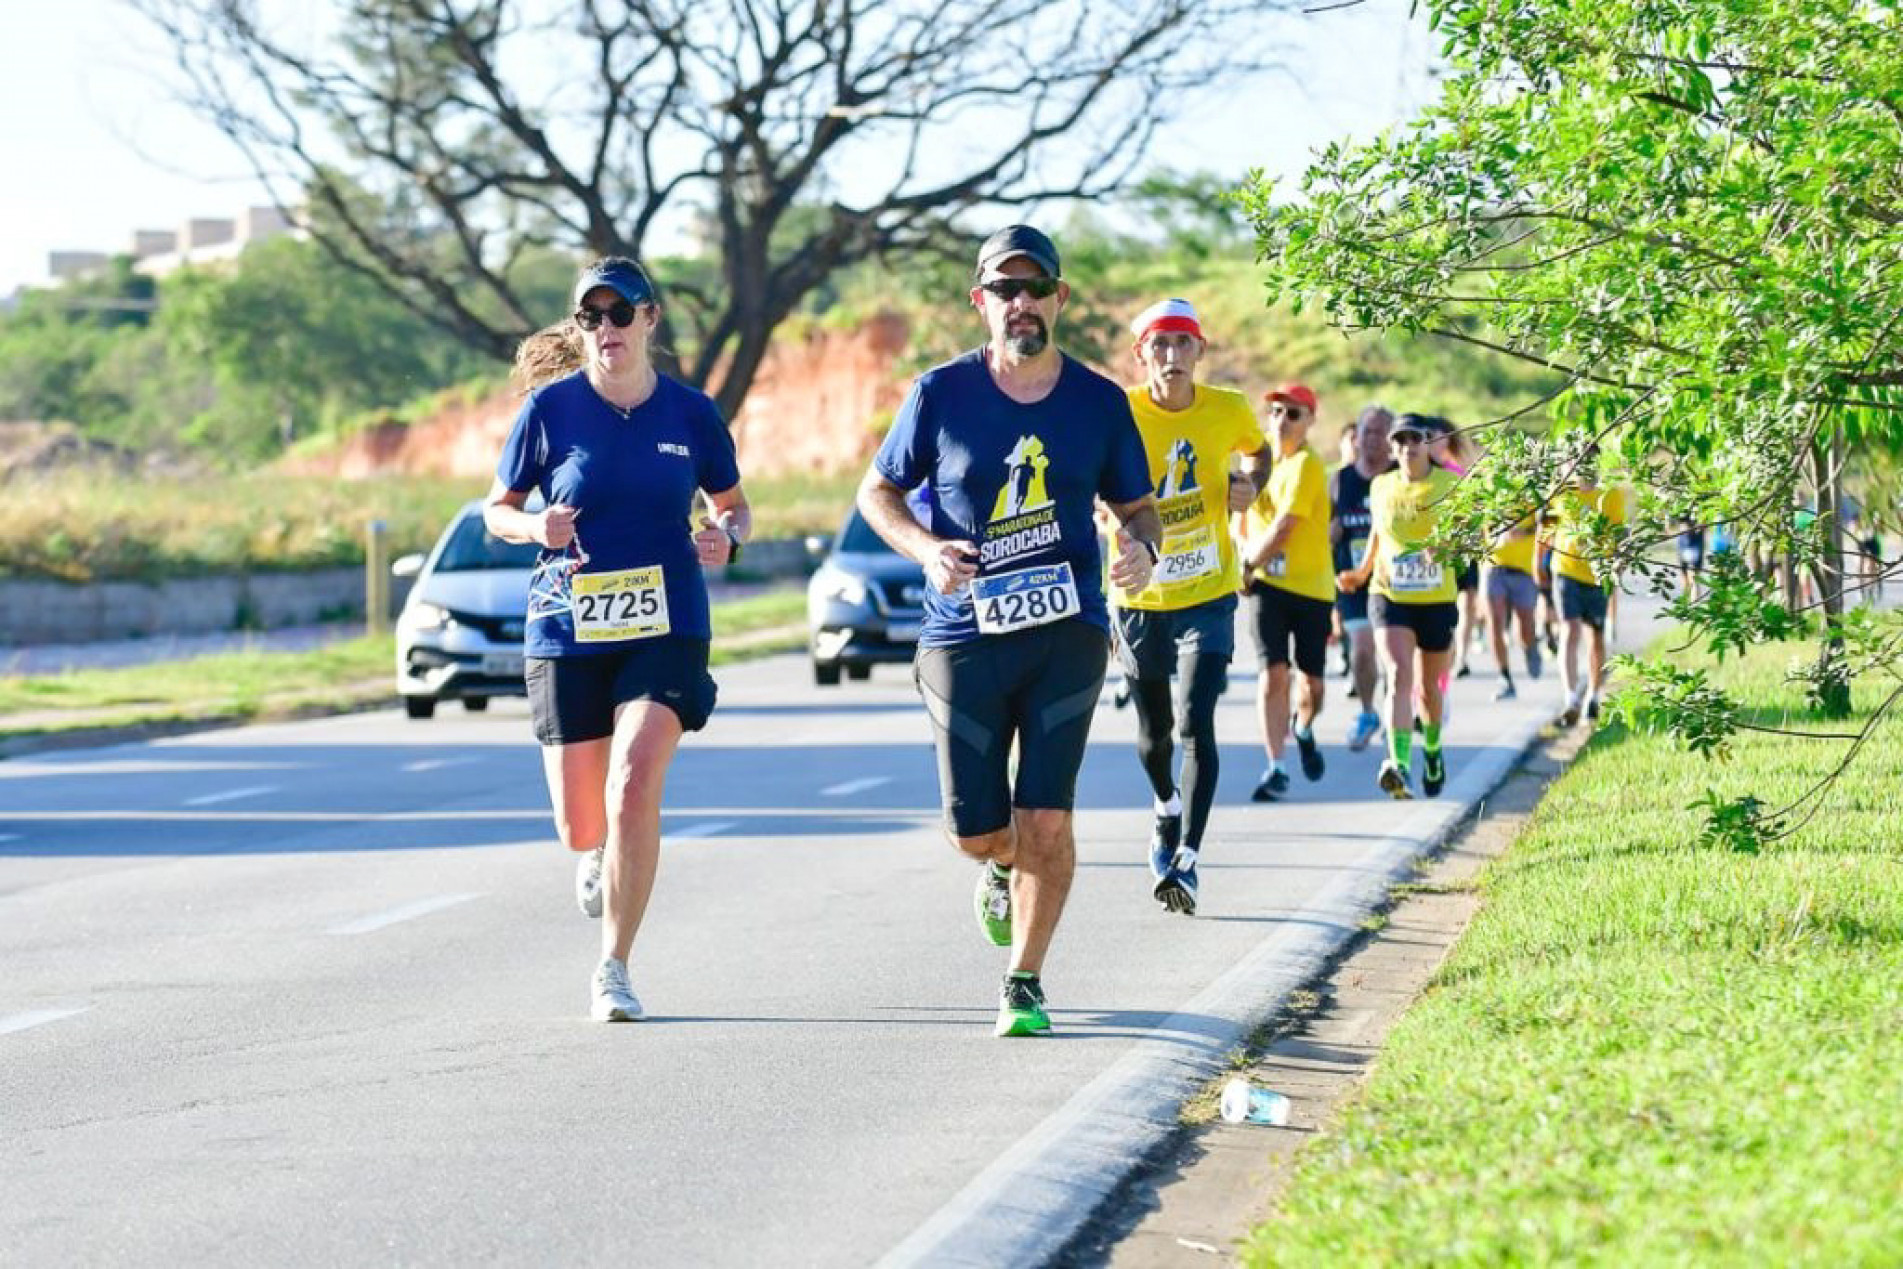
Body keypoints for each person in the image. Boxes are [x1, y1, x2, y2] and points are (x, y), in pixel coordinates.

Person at [856, 225, 1159, 1037]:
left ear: (1060, 298)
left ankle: (1023, 978)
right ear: (979, 302)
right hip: (962, 632)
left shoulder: (1099, 402)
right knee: (979, 831)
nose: (1019, 303)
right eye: (1003, 290)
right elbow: (876, 493)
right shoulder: (939, 394)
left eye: (1035, 288)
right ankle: (995, 867)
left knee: (1047, 820)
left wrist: (1140, 550)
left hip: (1068, 629)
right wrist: (925, 549)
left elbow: (1137, 509)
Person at [484, 257, 750, 1023]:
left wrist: (725, 536)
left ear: (650, 319)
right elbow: (494, 510)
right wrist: (534, 523)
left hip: (666, 621)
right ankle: (595, 850)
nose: (606, 328)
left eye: (619, 312)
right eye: (590, 316)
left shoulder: (691, 414)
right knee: (580, 821)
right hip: (567, 625)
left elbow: (733, 505)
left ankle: (614, 965)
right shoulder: (549, 412)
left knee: (634, 777)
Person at [1110, 299, 1270, 916]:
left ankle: (1189, 859)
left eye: (1183, 344)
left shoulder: (1227, 409)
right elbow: (1093, 479)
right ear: (1141, 354)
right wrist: (1108, 517)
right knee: (1155, 737)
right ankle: (1165, 807)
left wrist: (1250, 484)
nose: (1172, 356)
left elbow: (1258, 453)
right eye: (1160, 345)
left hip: (1208, 590)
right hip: (1139, 594)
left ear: (1201, 352)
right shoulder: (1120, 413)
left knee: (1195, 720)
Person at [1335, 415, 1461, 799]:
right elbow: (1377, 534)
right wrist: (1360, 573)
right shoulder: (1381, 485)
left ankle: (1434, 751)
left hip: (1436, 598)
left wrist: (1442, 549)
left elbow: (1469, 533)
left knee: (1427, 690)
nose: (1408, 446)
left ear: (1428, 443)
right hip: (1389, 594)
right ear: (1393, 447)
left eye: (1416, 438)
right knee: (1398, 674)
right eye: (1400, 440)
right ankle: (1399, 763)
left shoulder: (1449, 484)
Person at [1239, 384, 1335, 801]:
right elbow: (1237, 512)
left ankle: (1304, 727)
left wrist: (1246, 564)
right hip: (1267, 586)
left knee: (1311, 683)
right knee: (1271, 675)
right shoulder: (1255, 460)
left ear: (1311, 421)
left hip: (1310, 586)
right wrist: (1237, 553)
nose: (1281, 420)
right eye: (1276, 411)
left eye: (1293, 414)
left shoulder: (1307, 466)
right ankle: (1276, 765)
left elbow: (1284, 528)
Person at [1542, 450, 1626, 726]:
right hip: (1565, 571)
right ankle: (1570, 698)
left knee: (1596, 639)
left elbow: (1617, 537)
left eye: (1588, 458)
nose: (1580, 463)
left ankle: (1593, 694)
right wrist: (1537, 566)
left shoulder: (1610, 496)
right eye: (1574, 457)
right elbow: (1546, 532)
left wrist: (1616, 567)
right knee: (1570, 630)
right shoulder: (1560, 492)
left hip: (1597, 576)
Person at [1329, 404, 1394, 750]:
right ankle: (1369, 712)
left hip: (1394, 582)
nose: (1370, 439)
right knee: (1363, 652)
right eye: (1365, 431)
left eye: (1379, 432)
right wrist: (1332, 531)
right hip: (1353, 580)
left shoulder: (1399, 476)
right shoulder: (1341, 479)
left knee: (1395, 657)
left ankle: (1396, 710)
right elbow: (1324, 528)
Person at [1425, 418, 1485, 679]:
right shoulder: (1422, 473)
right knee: (1449, 602)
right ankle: (1449, 652)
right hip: (1438, 547)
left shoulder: (1459, 470)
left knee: (1468, 600)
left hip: (1464, 543)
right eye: (1430, 437)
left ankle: (1461, 654)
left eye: (1439, 437)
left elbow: (1475, 507)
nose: (1434, 442)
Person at [1484, 512, 1543, 700]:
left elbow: (1546, 524)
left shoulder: (1531, 488)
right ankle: (1504, 676)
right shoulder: (1487, 485)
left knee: (1525, 626)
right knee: (1495, 622)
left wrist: (1523, 532)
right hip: (1493, 565)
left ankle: (1530, 646)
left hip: (1524, 568)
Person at [1675, 514, 1707, 598]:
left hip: (1686, 548)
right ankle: (1693, 603)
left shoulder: (1682, 521)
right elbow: (1703, 526)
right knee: (1694, 580)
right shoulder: (1697, 515)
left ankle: (1687, 603)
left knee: (1687, 579)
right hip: (1694, 548)